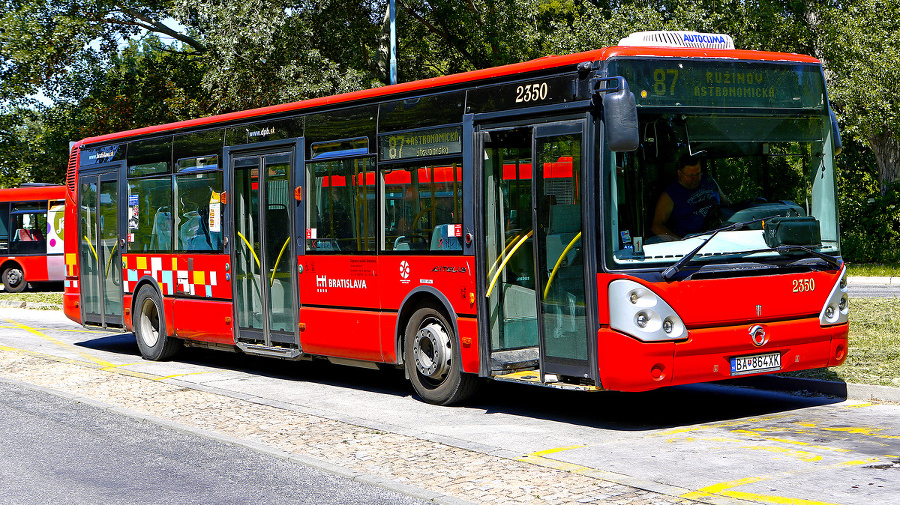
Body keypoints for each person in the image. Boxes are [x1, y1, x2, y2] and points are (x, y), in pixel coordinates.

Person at [651, 155, 730, 241]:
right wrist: (679, 242)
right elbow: (657, 226)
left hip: (721, 235)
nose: (695, 178)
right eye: (691, 175)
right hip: (693, 242)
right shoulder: (670, 194)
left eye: (698, 174)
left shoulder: (708, 180)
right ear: (680, 173)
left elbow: (727, 204)